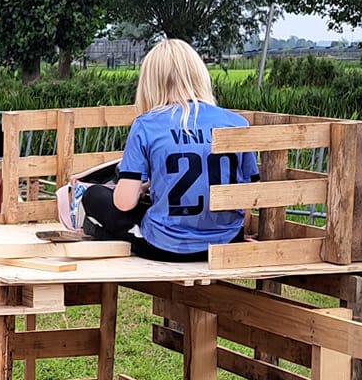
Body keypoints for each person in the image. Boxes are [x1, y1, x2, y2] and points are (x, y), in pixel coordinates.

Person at [60, 38, 259, 262]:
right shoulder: (236, 122)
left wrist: (140, 189)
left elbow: (123, 203)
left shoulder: (146, 124)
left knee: (94, 196)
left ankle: (100, 232)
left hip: (166, 246)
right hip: (227, 240)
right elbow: (250, 190)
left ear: (150, 83)